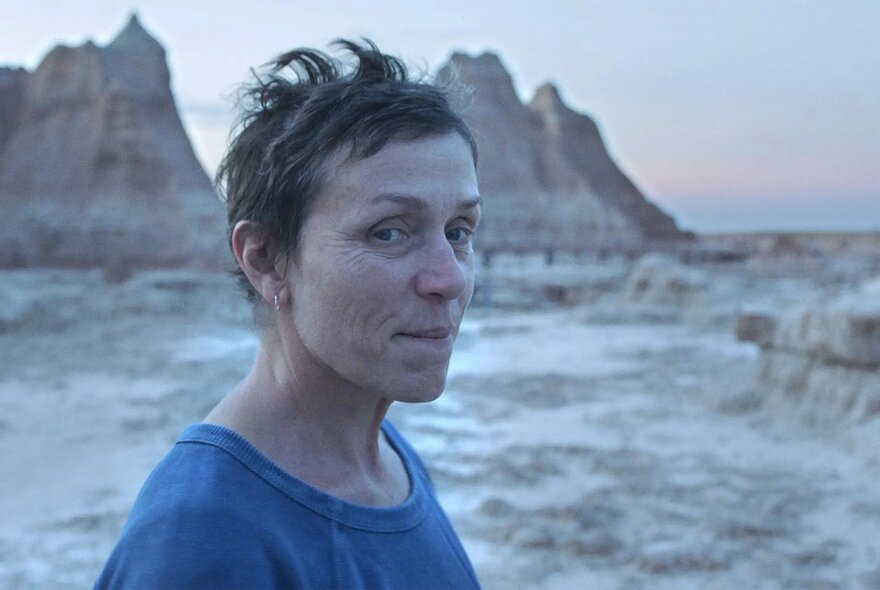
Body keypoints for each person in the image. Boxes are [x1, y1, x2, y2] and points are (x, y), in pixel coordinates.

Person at [95, 39, 482, 589]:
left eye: (458, 232)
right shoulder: (201, 543)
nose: (449, 279)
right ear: (267, 260)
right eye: (389, 231)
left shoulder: (388, 461)